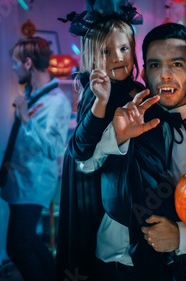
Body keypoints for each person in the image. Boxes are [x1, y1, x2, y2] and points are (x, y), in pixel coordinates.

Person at [78, 23, 186, 280]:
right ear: (145, 72)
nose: (165, 75)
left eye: (176, 64)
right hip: (118, 261)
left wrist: (182, 236)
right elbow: (84, 165)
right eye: (155, 65)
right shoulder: (127, 112)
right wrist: (118, 136)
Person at [55, 5, 144, 280]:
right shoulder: (93, 92)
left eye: (123, 49)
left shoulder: (139, 90)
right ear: (93, 57)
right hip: (93, 192)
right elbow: (80, 149)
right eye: (106, 52)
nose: (118, 58)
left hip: (128, 188)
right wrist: (102, 102)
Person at [0, 37, 71, 281]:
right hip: (19, 181)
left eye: (15, 62)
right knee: (29, 241)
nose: (13, 67)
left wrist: (26, 117)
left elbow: (53, 148)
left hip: (34, 184)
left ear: (28, 63)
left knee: (17, 246)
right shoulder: (31, 93)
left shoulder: (57, 101)